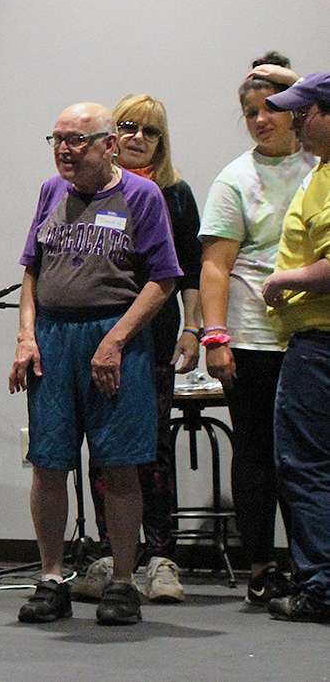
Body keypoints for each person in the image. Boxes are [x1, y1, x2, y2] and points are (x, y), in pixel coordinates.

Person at [9, 102, 181, 626]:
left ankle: (124, 580)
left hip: (115, 336)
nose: (65, 148)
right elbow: (32, 271)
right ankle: (50, 577)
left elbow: (163, 279)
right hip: (54, 338)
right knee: (49, 461)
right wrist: (25, 337)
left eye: (78, 139)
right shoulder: (51, 192)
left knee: (120, 464)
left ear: (108, 145)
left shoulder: (142, 195)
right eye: (58, 138)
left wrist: (116, 340)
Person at [75, 93, 203, 604]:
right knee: (102, 446)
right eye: (128, 126)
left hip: (151, 338)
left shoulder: (174, 194)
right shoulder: (86, 190)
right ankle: (110, 554)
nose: (136, 138)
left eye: (149, 132)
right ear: (111, 135)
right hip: (94, 331)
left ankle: (159, 557)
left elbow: (190, 270)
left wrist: (194, 330)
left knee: (151, 447)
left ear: (161, 142)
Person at [198, 52, 316, 607]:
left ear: (297, 111)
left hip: (311, 335)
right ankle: (262, 566)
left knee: (307, 456)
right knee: (256, 453)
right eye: (250, 112)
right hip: (252, 337)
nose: (262, 118)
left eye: (272, 107)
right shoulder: (235, 178)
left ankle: (309, 563)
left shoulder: (321, 165)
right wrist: (214, 336)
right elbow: (216, 266)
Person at [262, 71, 330, 623]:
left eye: (305, 112)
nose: (297, 121)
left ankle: (322, 589)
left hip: (321, 346)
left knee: (306, 466)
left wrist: (284, 281)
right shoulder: (321, 172)